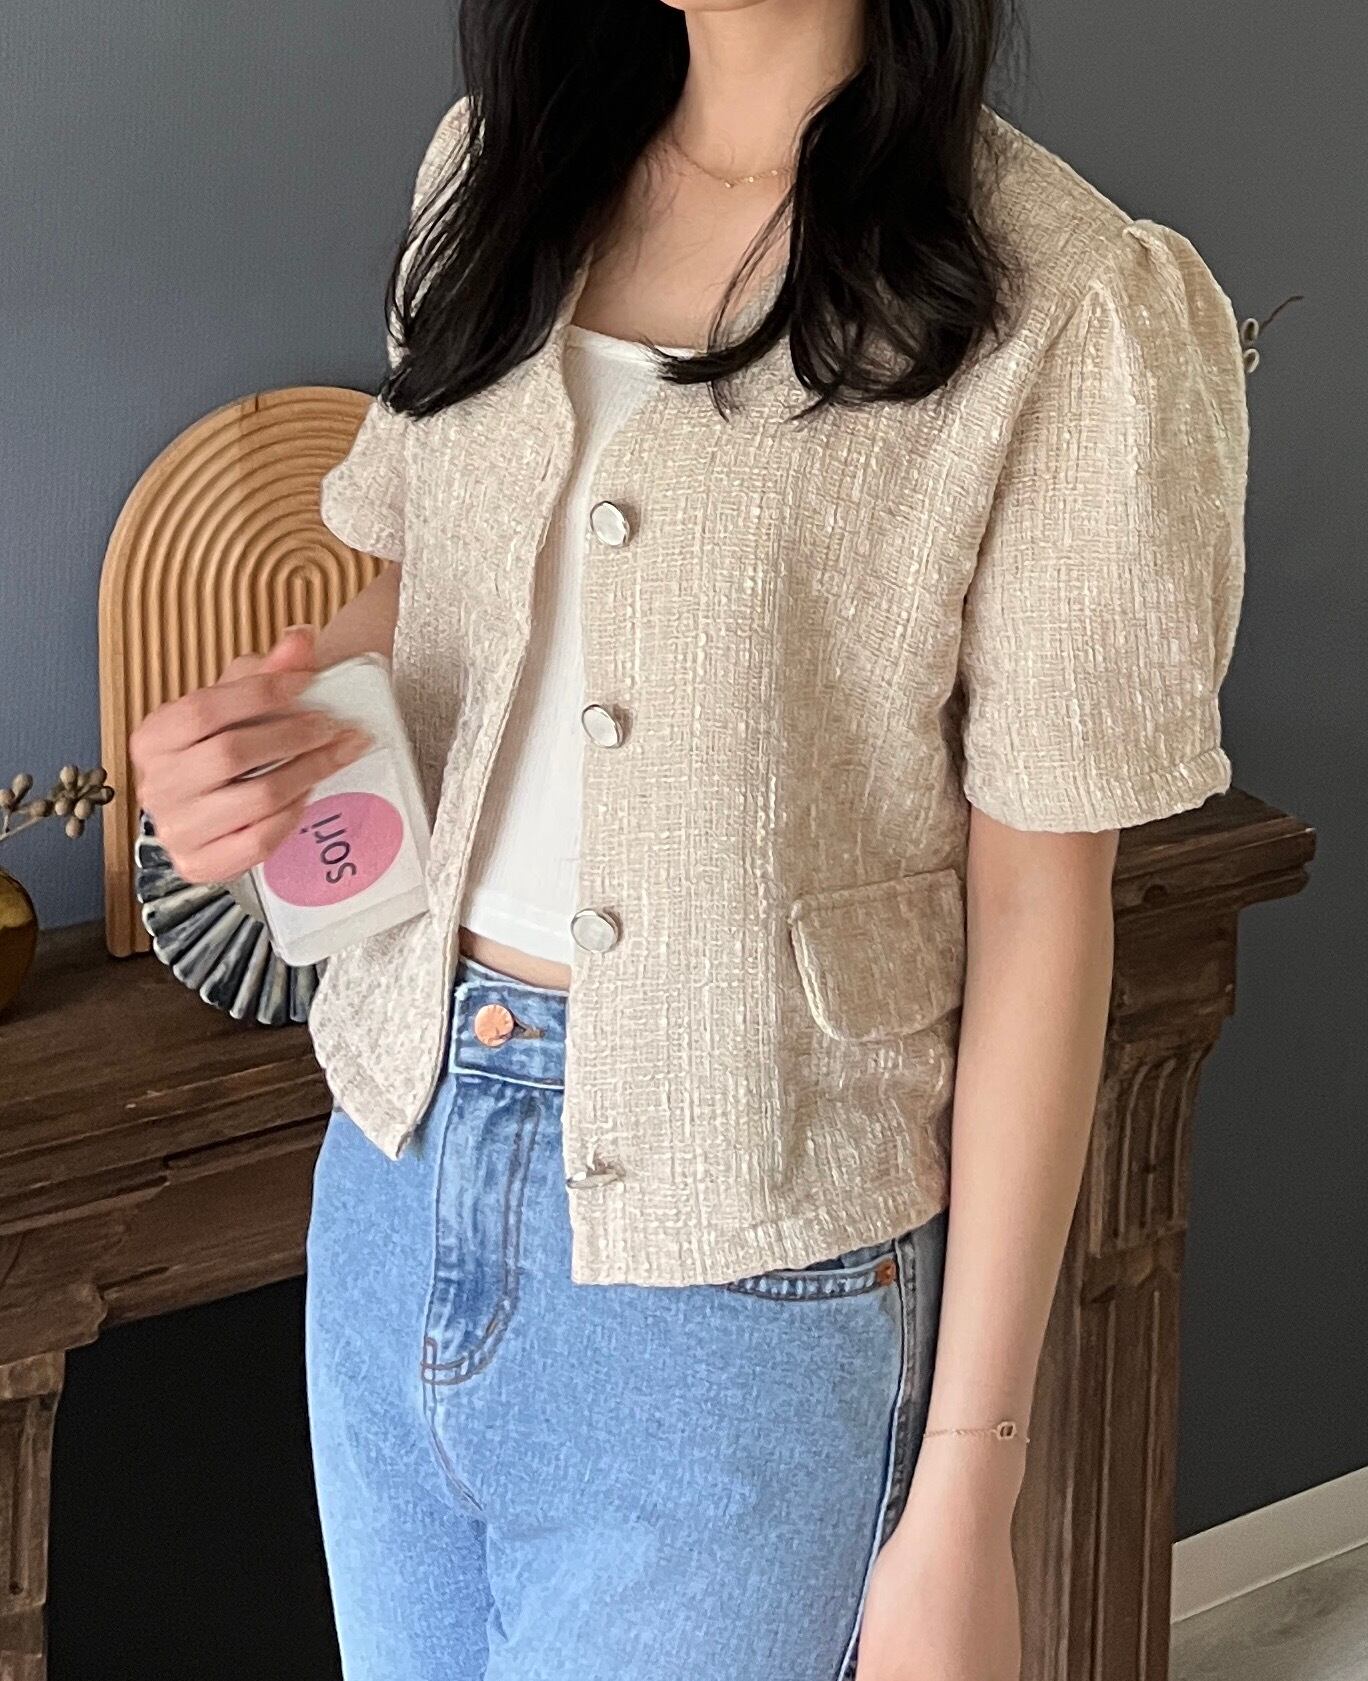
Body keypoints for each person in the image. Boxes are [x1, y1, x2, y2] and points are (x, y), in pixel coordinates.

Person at [129, 2, 1249, 1677]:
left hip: (744, 1289)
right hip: (394, 1174)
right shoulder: (495, 171)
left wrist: (968, 1490)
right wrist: (253, 747)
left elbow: (1040, 904)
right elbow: (420, 610)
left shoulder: (1067, 298)